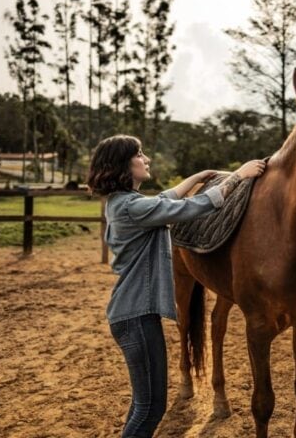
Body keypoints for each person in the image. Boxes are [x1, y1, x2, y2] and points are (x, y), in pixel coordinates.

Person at [86, 134, 266, 438]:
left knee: (144, 405)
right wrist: (238, 175)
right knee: (149, 409)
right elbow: (192, 207)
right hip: (136, 318)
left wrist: (197, 177)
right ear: (122, 164)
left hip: (133, 316)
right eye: (139, 154)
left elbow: (163, 200)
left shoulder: (124, 203)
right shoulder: (130, 208)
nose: (146, 159)